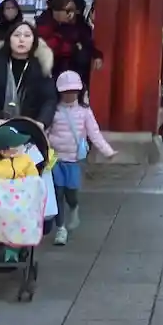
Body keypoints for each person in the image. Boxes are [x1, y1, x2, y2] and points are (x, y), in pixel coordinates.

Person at [49, 71, 115, 245]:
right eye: (66, 91)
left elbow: (94, 133)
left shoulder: (85, 112)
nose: (70, 94)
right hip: (55, 159)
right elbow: (45, 131)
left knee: (71, 192)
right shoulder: (53, 111)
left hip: (74, 160)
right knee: (58, 192)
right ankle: (60, 228)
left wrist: (107, 151)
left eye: (73, 91)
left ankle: (74, 207)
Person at [0, 19, 59, 132]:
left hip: (31, 127)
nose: (21, 39)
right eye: (17, 35)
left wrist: (41, 122)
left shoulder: (41, 68)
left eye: (27, 35)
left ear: (34, 41)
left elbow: (49, 100)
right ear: (9, 39)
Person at [36, 0, 95, 94]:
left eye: (74, 11)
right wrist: (71, 47)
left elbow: (87, 43)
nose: (71, 15)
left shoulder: (79, 24)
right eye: (68, 11)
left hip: (75, 71)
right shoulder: (45, 24)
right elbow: (48, 47)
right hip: (53, 71)